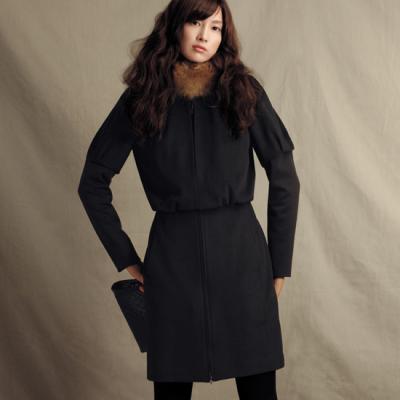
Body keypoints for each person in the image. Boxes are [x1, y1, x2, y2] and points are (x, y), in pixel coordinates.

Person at [77, 0, 300, 399]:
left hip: (242, 259)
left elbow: (284, 175)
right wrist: (127, 259)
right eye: (196, 22)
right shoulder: (142, 98)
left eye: (215, 27)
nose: (204, 36)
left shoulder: (244, 92)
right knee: (172, 390)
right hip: (171, 263)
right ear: (174, 26)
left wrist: (279, 265)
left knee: (259, 390)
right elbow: (92, 182)